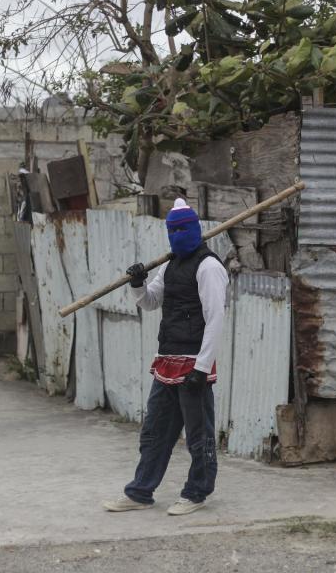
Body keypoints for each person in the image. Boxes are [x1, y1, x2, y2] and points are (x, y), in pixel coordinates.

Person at [103, 198, 229, 517]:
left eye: (182, 229)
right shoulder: (169, 265)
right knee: (155, 432)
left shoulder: (210, 267)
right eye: (171, 230)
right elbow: (150, 302)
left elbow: (215, 320)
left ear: (196, 230)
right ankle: (141, 492)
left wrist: (202, 368)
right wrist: (137, 283)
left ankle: (197, 492)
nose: (177, 235)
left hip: (193, 364)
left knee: (198, 435)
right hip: (166, 362)